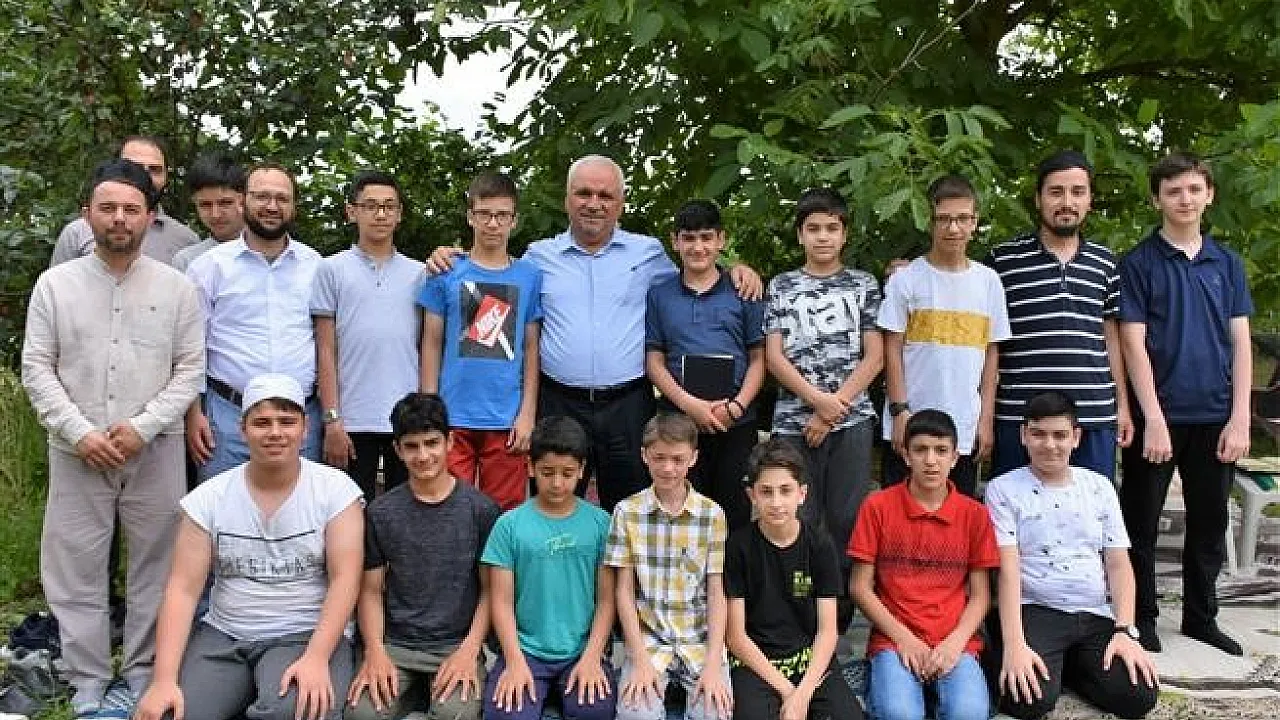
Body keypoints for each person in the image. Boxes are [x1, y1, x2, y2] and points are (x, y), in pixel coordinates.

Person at [426, 155, 762, 512]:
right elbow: (493, 271)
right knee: (552, 507)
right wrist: (447, 256)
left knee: (632, 508)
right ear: (567, 199)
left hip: (627, 406)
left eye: (605, 195)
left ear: (621, 202)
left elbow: (694, 274)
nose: (594, 203)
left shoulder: (647, 253)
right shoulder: (537, 258)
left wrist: (735, 270)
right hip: (560, 402)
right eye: (584, 193)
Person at [22, 158, 205, 718]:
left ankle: (146, 670)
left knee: (158, 563)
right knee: (75, 565)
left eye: (131, 209)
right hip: (77, 451)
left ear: (150, 217)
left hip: (155, 447)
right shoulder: (55, 286)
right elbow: (36, 368)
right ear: (87, 215)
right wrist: (80, 432)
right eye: (108, 208)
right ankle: (88, 678)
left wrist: (143, 427)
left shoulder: (177, 288)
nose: (119, 218)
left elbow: (189, 370)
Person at [133, 374, 365, 720]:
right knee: (169, 712)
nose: (275, 433)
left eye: (287, 422)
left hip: (304, 632)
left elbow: (345, 580)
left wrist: (317, 657)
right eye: (262, 423)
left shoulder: (335, 491)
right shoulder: (209, 498)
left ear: (305, 429)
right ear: (242, 430)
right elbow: (182, 590)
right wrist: (163, 680)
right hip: (225, 633)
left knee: (297, 711)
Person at [1118, 151, 1253, 655]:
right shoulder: (1138, 264)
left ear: (1209, 194)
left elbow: (1241, 343)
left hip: (1216, 415)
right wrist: (1153, 418)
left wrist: (1240, 417)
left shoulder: (1227, 263)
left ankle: (1201, 617)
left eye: (1194, 189)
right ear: (1156, 199)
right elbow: (1132, 343)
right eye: (1173, 191)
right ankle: (1141, 617)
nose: (1185, 199)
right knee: (1140, 524)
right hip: (1159, 417)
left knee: (1210, 523)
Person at [984, 392, 1159, 719]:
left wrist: (1125, 630)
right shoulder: (1003, 489)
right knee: (1028, 701)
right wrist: (1015, 644)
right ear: (1024, 435)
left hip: (1093, 612)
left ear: (1076, 437)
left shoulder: (1100, 487)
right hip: (1036, 609)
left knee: (1138, 696)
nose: (1049, 444)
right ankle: (1042, 661)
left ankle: (1071, 666)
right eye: (1038, 434)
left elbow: (1118, 564)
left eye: (1060, 435)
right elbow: (1008, 569)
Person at [346, 393, 500, 720]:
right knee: (362, 714)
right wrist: (374, 651)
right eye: (412, 446)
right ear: (397, 450)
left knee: (455, 715)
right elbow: (370, 590)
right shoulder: (381, 512)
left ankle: (423, 695)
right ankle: (414, 693)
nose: (423, 455)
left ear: (450, 442)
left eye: (432, 443)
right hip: (395, 643)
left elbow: (491, 591)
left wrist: (470, 650)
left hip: (456, 644)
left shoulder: (481, 510)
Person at [765, 187, 883, 614]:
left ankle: (840, 611)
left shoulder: (864, 285)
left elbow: (876, 355)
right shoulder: (781, 286)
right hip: (793, 424)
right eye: (813, 228)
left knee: (846, 518)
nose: (822, 237)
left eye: (832, 228)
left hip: (852, 421)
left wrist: (834, 408)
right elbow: (774, 357)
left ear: (844, 234)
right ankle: (800, 608)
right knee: (797, 517)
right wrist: (818, 402)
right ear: (800, 235)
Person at [985, 150, 1131, 480]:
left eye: (1078, 192)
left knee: (1090, 510)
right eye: (1056, 192)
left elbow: (1111, 339)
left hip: (1092, 417)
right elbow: (986, 337)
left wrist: (1122, 406)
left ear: (1090, 200)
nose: (1067, 202)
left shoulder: (1105, 263)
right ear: (1038, 199)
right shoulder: (1003, 261)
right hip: (1021, 419)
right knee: (1013, 510)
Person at [849, 410, 999, 720]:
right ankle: (878, 679)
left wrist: (955, 642)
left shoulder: (974, 515)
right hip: (894, 638)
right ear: (906, 455)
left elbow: (981, 595)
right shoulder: (878, 506)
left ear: (955, 458)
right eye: (921, 450)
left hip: (955, 640)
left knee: (969, 713)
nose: (931, 460)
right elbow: (860, 588)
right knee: (898, 713)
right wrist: (903, 638)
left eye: (941, 450)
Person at [186, 162, 324, 481]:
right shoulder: (208, 268)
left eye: (282, 198)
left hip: (300, 421)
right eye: (262, 197)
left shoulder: (316, 266)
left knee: (301, 509)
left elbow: (327, 342)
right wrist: (193, 415)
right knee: (223, 509)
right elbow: (190, 348)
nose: (271, 206)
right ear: (242, 201)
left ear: (293, 206)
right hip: (226, 421)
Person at [878, 175, 1011, 496]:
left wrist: (986, 419)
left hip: (963, 428)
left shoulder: (989, 282)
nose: (953, 228)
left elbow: (991, 355)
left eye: (963, 219)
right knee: (898, 514)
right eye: (944, 219)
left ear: (974, 222)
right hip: (910, 425)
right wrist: (899, 411)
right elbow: (891, 349)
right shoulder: (906, 280)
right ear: (931, 221)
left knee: (955, 515)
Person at [481, 416, 616, 720]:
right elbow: (500, 602)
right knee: (507, 714)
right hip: (525, 650)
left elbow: (607, 599)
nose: (557, 483)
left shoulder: (601, 524)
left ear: (581, 470)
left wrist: (593, 656)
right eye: (547, 472)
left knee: (594, 711)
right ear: (530, 467)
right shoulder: (508, 526)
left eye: (567, 473)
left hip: (581, 650)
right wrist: (514, 660)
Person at [420, 172, 540, 510]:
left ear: (514, 220)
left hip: (506, 419)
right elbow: (431, 342)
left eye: (502, 215)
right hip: (452, 416)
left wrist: (527, 413)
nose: (492, 224)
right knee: (449, 510)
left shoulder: (529, 275)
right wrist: (430, 409)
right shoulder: (446, 272)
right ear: (470, 216)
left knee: (503, 515)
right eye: (484, 214)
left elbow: (532, 347)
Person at [645, 199, 766, 529]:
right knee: (680, 511)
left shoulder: (744, 291)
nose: (698, 247)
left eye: (706, 237)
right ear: (675, 241)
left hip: (735, 422)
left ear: (721, 240)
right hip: (679, 422)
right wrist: (689, 405)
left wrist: (736, 407)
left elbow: (759, 359)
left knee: (734, 515)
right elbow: (654, 362)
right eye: (689, 238)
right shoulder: (659, 295)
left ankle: (730, 568)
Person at [724, 439, 862, 720]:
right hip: (756, 662)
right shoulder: (738, 547)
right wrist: (788, 691)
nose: (776, 503)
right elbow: (736, 637)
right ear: (752, 495)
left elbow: (828, 631)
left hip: (809, 660)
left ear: (802, 494)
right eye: (766, 492)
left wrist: (804, 692)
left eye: (785, 490)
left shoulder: (819, 545)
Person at [607, 413, 732, 720]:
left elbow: (717, 593)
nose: (667, 468)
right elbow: (623, 591)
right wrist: (639, 659)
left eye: (678, 459)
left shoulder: (712, 515)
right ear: (644, 455)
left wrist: (714, 664)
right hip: (648, 641)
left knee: (714, 713)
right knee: (635, 714)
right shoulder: (626, 512)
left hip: (699, 640)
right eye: (659, 458)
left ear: (693, 458)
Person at [312, 171, 423, 501]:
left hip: (405, 418)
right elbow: (325, 349)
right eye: (371, 206)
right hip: (351, 420)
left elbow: (426, 347)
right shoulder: (331, 270)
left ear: (400, 214)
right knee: (350, 512)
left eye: (389, 206)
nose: (380, 214)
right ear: (352, 211)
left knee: (405, 514)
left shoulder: (420, 273)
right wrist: (332, 420)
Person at [50, 136, 200, 266]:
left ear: (166, 176)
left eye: (155, 169)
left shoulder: (185, 239)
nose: (145, 177)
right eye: (134, 168)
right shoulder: (77, 233)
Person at [172, 153, 247, 272]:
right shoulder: (188, 260)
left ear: (244, 200)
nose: (215, 214)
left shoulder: (269, 250)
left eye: (225, 203)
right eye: (205, 205)